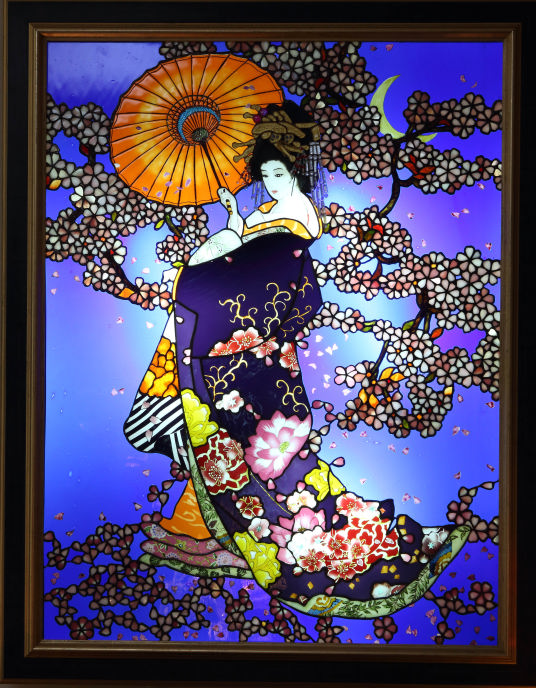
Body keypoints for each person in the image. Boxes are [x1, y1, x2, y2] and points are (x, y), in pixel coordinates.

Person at [124, 102, 470, 619]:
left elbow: (265, 275)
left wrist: (211, 268)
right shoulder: (269, 214)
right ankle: (215, 530)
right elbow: (243, 257)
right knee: (237, 446)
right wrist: (233, 224)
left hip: (253, 355)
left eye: (278, 172)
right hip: (245, 352)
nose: (270, 181)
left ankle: (308, 542)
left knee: (270, 451)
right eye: (264, 173)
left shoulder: (299, 216)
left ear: (297, 170)